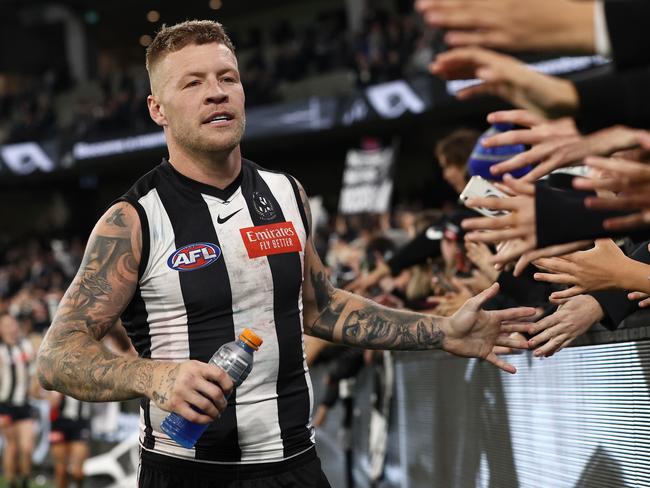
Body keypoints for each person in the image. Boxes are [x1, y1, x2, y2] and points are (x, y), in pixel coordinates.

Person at [36, 20, 534, 488]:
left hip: (296, 464)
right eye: (192, 83)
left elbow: (322, 307)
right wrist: (154, 377)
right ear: (157, 109)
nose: (216, 91)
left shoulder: (285, 194)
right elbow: (57, 357)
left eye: (227, 77)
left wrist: (441, 331)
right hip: (189, 472)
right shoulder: (133, 220)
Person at [0, 314, 37, 488]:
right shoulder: (0, 350)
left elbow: (34, 375)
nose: (11, 327)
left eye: (12, 323)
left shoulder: (26, 346)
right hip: (5, 406)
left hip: (24, 404)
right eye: (6, 324)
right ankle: (11, 482)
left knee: (27, 448)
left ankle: (24, 481)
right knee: (12, 447)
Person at [48, 392, 92, 488]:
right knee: (61, 470)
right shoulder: (59, 378)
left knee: (77, 472)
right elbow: (51, 402)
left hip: (81, 423)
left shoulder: (87, 378)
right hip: (59, 423)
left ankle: (79, 485)